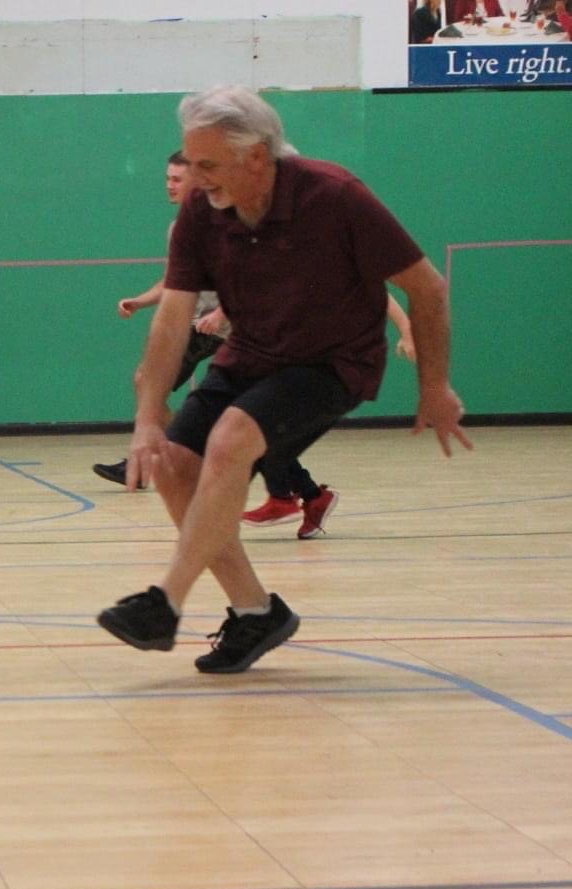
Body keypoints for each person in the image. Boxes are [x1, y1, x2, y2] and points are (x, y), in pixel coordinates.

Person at [96, 86, 468, 674]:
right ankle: (256, 612)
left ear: (256, 158)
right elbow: (172, 316)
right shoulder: (201, 212)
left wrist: (434, 385)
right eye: (191, 164)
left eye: (208, 165)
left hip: (333, 363)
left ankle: (165, 601)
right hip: (250, 354)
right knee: (173, 465)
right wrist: (147, 419)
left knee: (231, 439)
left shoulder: (335, 196)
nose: (196, 179)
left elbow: (428, 288)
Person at [93, 151, 227, 488]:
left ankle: (179, 455)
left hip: (224, 326)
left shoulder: (220, 224)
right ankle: (153, 462)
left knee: (148, 381)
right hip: (197, 324)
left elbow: (243, 277)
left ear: (197, 182)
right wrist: (140, 301)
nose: (169, 185)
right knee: (146, 382)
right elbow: (174, 279)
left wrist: (221, 312)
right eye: (167, 178)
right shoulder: (179, 227)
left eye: (177, 179)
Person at [241, 293, 417, 539]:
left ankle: (283, 498)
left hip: (336, 371)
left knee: (260, 429)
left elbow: (380, 292)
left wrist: (407, 331)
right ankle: (311, 497)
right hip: (304, 360)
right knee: (256, 429)